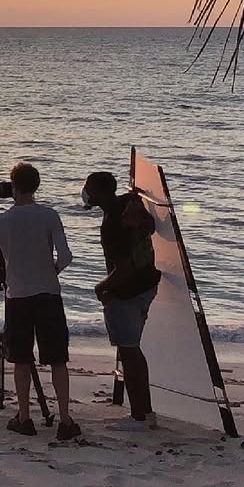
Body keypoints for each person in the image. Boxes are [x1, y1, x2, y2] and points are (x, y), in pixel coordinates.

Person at [0, 162, 80, 440]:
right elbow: (65, 256)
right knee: (57, 359)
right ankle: (65, 421)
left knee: (20, 359)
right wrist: (51, 271)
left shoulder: (1, 221)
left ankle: (24, 417)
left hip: (18, 296)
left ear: (13, 186)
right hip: (49, 295)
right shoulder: (50, 215)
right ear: (37, 186)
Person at [81, 171, 161, 430]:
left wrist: (101, 287)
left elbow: (123, 269)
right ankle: (145, 412)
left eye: (89, 188)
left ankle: (140, 416)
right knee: (134, 350)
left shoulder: (112, 225)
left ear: (100, 194)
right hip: (148, 285)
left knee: (129, 352)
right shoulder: (130, 204)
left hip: (127, 292)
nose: (86, 192)